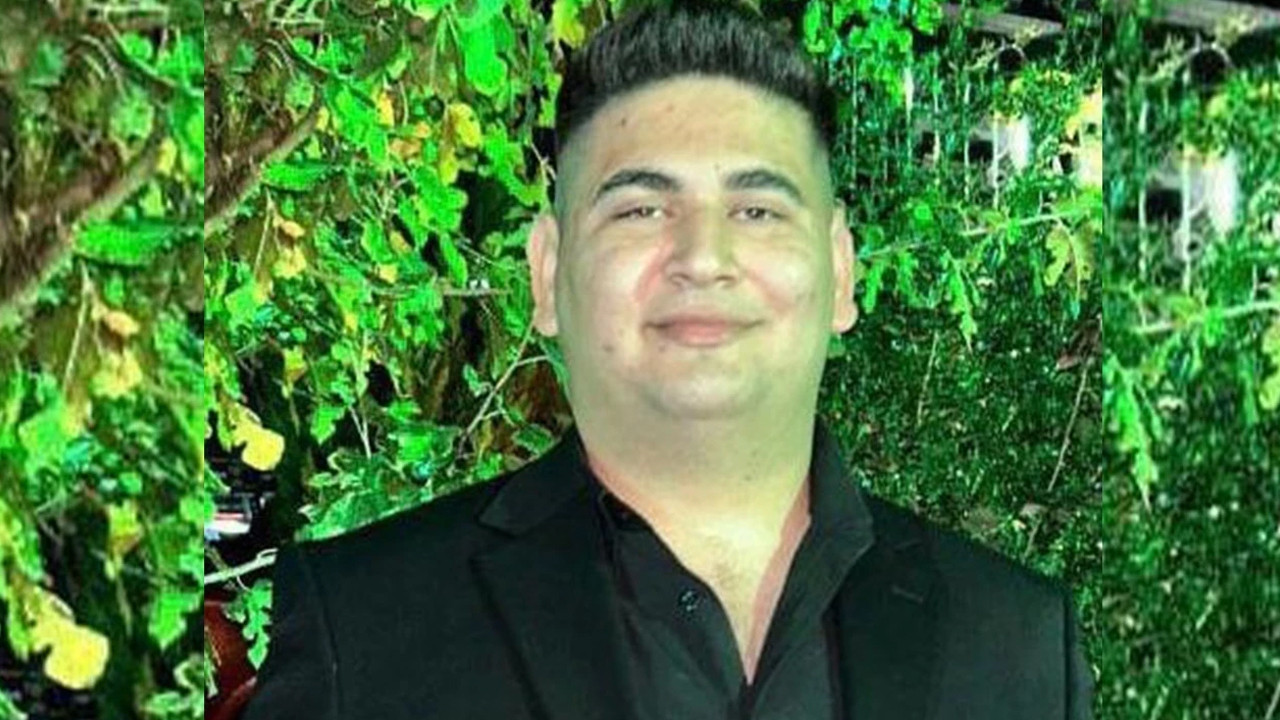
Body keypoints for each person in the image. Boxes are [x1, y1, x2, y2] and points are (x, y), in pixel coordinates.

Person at [239, 2, 1095, 718]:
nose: (703, 257)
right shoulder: (366, 628)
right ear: (547, 275)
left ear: (841, 272)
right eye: (641, 209)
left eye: (758, 210)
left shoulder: (1018, 648)